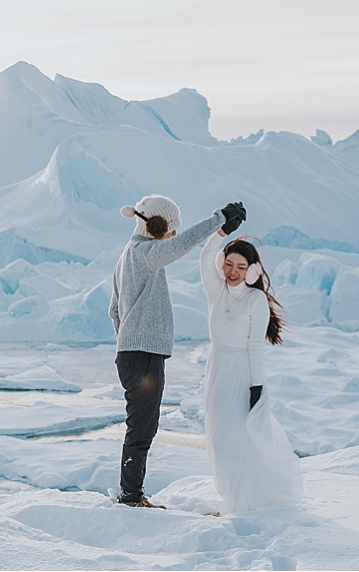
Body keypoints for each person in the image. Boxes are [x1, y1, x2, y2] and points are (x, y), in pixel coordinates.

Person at [109, 195, 246, 508]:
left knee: (143, 426)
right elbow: (180, 245)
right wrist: (218, 219)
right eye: (169, 229)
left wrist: (127, 343)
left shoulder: (130, 255)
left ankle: (132, 494)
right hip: (141, 355)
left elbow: (113, 310)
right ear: (156, 226)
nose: (172, 234)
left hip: (136, 353)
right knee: (142, 428)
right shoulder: (144, 254)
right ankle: (130, 497)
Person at [198, 218, 303, 514]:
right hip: (217, 369)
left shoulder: (255, 299)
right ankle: (231, 493)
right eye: (229, 264)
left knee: (239, 438)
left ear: (252, 271)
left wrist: (256, 386)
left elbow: (256, 346)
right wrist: (221, 230)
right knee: (218, 436)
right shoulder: (216, 291)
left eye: (241, 267)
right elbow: (205, 256)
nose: (233, 272)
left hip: (243, 373)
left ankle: (242, 501)